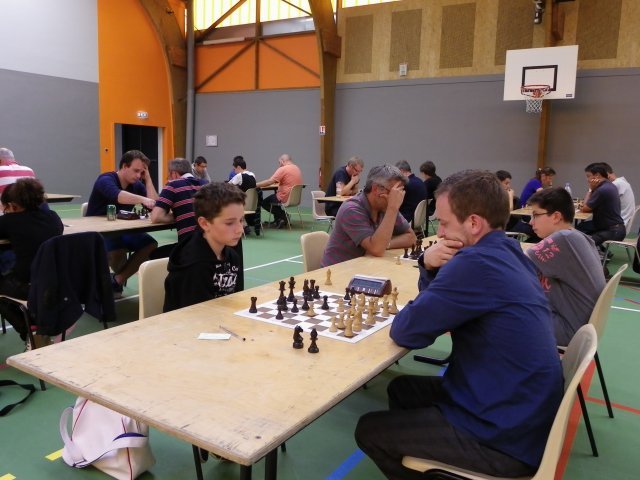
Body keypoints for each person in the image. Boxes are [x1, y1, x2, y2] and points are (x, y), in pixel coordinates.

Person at [355, 170, 562, 479]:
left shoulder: (474, 263)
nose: (439, 232)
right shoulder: (511, 251)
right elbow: (435, 309)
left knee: (370, 430)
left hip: (502, 436)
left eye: (444, 223)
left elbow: (407, 330)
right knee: (402, 389)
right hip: (522, 410)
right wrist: (430, 267)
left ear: (474, 223)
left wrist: (425, 263)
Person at [526, 187, 606, 345]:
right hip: (580, 327)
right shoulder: (578, 236)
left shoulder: (564, 239)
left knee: (501, 316)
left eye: (536, 215)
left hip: (568, 329)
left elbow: (516, 263)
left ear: (556, 216)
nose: (531, 222)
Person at [163, 182, 245, 312]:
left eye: (241, 220)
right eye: (230, 223)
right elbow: (196, 316)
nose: (240, 229)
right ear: (205, 224)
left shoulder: (232, 256)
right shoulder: (194, 266)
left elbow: (236, 298)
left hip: (219, 318)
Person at [87, 150, 159, 297]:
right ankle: (111, 284)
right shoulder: (105, 179)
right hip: (99, 231)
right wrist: (143, 199)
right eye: (136, 171)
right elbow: (118, 196)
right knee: (117, 252)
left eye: (141, 172)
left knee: (150, 245)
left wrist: (148, 179)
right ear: (124, 166)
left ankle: (117, 280)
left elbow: (154, 206)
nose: (138, 176)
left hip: (122, 229)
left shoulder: (137, 184)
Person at [0, 179, 63, 339]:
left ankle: (28, 331)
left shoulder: (10, 221)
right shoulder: (54, 218)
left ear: (13, 205)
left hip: (28, 286)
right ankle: (35, 323)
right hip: (58, 283)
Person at [320, 165, 417, 267]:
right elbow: (377, 249)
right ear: (376, 189)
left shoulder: (386, 206)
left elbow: (411, 238)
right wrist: (392, 209)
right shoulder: (351, 209)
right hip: (337, 270)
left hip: (364, 266)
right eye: (394, 192)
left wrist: (386, 244)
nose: (398, 197)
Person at [150, 158, 205, 257]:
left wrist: (177, 215)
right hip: (210, 243)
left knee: (153, 254)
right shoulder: (206, 184)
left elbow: (156, 217)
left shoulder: (173, 185)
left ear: (174, 173)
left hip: (188, 247)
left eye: (169, 175)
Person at [577, 162, 625, 249]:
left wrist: (590, 189)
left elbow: (585, 208)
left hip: (612, 231)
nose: (587, 179)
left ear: (597, 176)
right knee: (581, 227)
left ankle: (595, 253)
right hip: (615, 227)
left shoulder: (602, 190)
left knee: (581, 239)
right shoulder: (609, 185)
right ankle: (601, 252)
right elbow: (589, 207)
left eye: (588, 176)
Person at [256, 154, 303, 229]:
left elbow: (269, 182)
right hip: (294, 198)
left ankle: (284, 216)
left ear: (282, 161)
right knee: (274, 198)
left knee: (264, 203)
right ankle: (279, 220)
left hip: (284, 197)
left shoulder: (283, 169)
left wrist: (255, 184)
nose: (279, 164)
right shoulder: (297, 168)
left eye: (279, 162)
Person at [229, 156, 261, 236]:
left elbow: (228, 186)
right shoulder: (252, 175)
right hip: (252, 205)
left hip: (243, 204)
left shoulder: (239, 176)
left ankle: (243, 226)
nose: (234, 171)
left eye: (234, 169)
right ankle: (245, 225)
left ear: (238, 167)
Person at [601, 162, 636, 232]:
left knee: (582, 228)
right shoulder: (621, 181)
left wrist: (591, 188)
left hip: (617, 226)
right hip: (620, 222)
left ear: (607, 175)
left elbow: (592, 204)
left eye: (598, 177)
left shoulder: (616, 184)